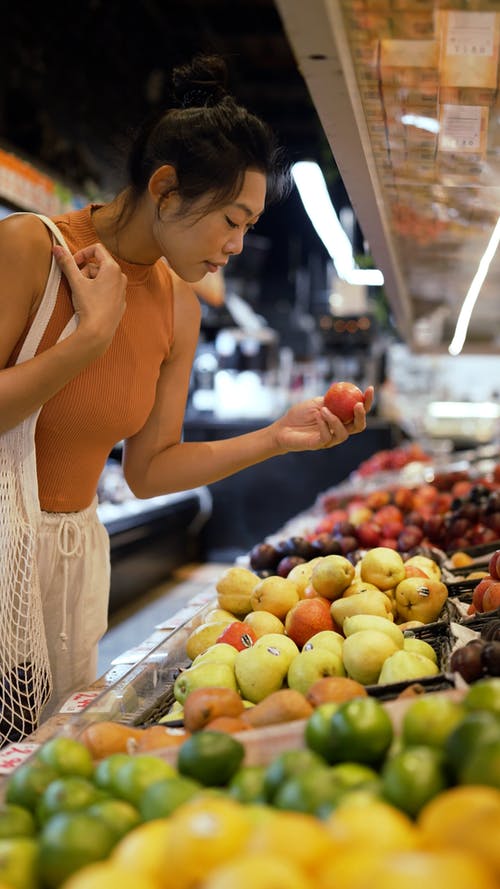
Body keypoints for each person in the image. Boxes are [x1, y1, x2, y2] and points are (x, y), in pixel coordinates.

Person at [0, 54, 373, 728]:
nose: (235, 244)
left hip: (72, 570)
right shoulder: (34, 247)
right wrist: (89, 336)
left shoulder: (179, 303)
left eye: (248, 227)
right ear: (166, 187)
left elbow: (147, 470)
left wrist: (275, 438)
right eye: (231, 219)